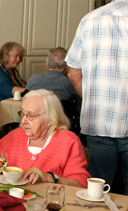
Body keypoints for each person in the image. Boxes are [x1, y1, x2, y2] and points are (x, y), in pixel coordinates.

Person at [65, 0, 128, 195]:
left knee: (97, 189)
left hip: (98, 118)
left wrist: (92, 98)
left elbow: (73, 73)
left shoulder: (90, 19)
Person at [0, 89, 91, 187]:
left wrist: (51, 177)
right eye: (22, 114)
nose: (23, 121)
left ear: (51, 119)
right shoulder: (16, 135)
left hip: (48, 205)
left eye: (31, 116)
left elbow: (81, 183)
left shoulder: (68, 141)